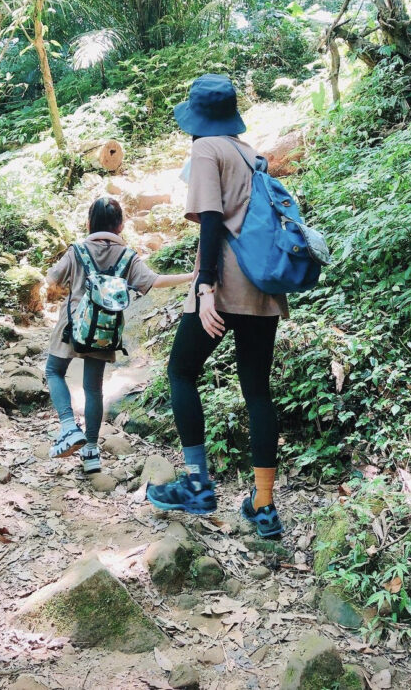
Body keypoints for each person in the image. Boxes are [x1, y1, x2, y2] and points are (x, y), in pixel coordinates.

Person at [146, 74, 289, 538]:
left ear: (199, 118)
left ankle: (197, 485)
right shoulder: (251, 153)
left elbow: (210, 220)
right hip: (263, 286)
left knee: (181, 372)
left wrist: (206, 287)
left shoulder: (207, 149)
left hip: (224, 285)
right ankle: (263, 506)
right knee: (258, 392)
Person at [45, 196, 192, 474]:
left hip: (71, 326)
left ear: (89, 223)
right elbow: (154, 281)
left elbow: (53, 278)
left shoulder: (77, 250)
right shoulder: (128, 256)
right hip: (103, 329)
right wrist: (192, 275)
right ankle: (90, 452)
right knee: (93, 389)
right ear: (121, 226)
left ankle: (68, 427)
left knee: (54, 371)